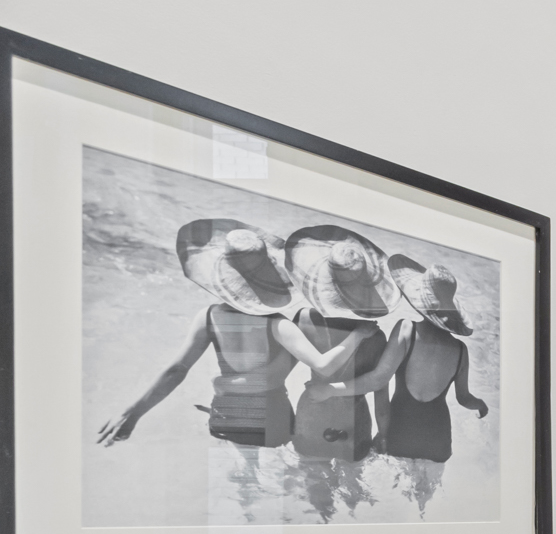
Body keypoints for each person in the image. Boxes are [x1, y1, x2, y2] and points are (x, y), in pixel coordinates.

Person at [96, 219, 373, 451]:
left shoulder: (208, 317)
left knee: (243, 486)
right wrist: (359, 334)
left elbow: (175, 371)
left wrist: (132, 413)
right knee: (273, 491)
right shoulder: (278, 324)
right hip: (271, 422)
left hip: (226, 416)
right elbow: (323, 364)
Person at [306, 253, 486, 513]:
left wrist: (330, 390)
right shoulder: (460, 349)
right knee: (425, 505)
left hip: (403, 430)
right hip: (438, 438)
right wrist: (480, 405)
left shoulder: (406, 330)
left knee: (395, 506)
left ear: (420, 302)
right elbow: (464, 398)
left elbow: (378, 378)